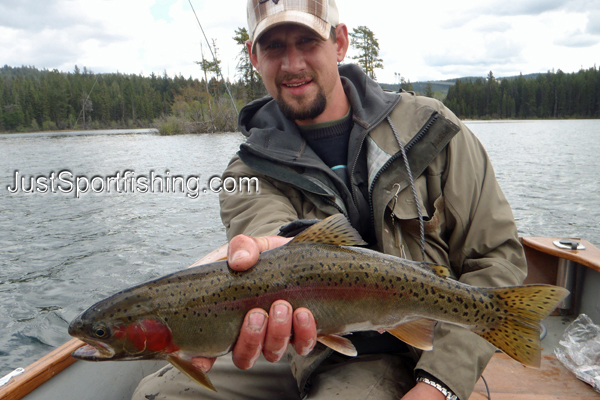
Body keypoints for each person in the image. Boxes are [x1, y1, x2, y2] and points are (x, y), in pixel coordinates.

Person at [132, 0, 527, 399]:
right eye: (274, 48)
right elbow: (268, 237)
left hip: (414, 347)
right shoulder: (246, 172)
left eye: (307, 41)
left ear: (339, 43)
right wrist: (285, 251)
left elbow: (497, 257)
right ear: (254, 57)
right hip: (290, 343)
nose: (292, 64)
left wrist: (441, 383)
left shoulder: (433, 128)